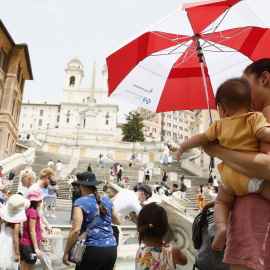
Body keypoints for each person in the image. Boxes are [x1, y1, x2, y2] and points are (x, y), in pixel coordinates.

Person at [177, 78, 270, 251]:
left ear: (221, 108)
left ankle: (221, 228)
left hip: (229, 179)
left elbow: (201, 138)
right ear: (250, 105)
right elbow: (264, 134)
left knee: (221, 203)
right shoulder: (254, 117)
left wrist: (184, 146)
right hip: (252, 176)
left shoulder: (218, 125)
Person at [203, 59, 270, 270]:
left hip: (255, 222)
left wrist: (218, 151)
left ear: (265, 78)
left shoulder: (263, 115)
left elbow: (267, 167)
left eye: (244, 83)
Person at [62, 171, 121, 269]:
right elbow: (117, 221)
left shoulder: (80, 202)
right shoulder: (107, 200)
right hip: (111, 248)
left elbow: (75, 230)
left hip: (93, 248)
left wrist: (66, 252)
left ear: (82, 186)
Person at [135, 202, 187, 270]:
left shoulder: (140, 252)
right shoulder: (172, 250)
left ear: (141, 228)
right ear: (166, 227)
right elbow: (184, 261)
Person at [21, 169, 54, 270]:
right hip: (31, 236)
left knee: (24, 264)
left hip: (26, 236)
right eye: (50, 181)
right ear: (46, 178)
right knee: (34, 261)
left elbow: (39, 215)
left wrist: (47, 225)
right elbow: (35, 218)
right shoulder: (35, 191)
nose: (50, 184)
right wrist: (43, 231)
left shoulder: (33, 189)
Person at [0, 194, 28, 270]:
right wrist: (17, 254)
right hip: (9, 244)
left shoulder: (3, 218)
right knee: (8, 264)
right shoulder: (17, 222)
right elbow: (15, 237)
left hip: (1, 240)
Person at [20, 189, 46, 269]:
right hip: (30, 244)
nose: (41, 201)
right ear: (36, 201)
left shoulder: (28, 210)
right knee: (30, 267)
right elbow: (32, 230)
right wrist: (36, 248)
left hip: (24, 243)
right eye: (40, 199)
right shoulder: (33, 212)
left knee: (23, 266)